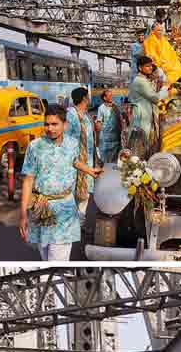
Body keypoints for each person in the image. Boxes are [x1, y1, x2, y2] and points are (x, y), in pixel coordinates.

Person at [19, 104, 99, 260]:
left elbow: (73, 160)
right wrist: (22, 214)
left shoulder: (72, 143)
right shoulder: (35, 147)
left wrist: (89, 170)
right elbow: (28, 180)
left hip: (65, 210)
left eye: (54, 124)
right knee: (44, 255)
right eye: (46, 124)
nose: (50, 128)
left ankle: (56, 283)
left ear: (65, 125)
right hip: (40, 207)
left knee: (57, 260)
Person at [66, 86, 98, 223]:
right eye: (88, 96)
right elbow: (66, 139)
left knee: (85, 194)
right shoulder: (71, 115)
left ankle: (80, 220)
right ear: (84, 98)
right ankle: (73, 221)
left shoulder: (85, 115)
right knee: (74, 193)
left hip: (88, 160)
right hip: (75, 162)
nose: (89, 98)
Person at [127, 56, 169, 152]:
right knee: (139, 145)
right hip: (142, 117)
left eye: (151, 66)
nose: (150, 68)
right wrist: (165, 89)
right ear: (140, 68)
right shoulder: (140, 81)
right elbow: (155, 98)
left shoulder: (144, 80)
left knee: (145, 144)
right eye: (147, 66)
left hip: (145, 116)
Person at [142, 20, 181, 85]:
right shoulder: (149, 41)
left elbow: (170, 52)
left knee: (178, 69)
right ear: (153, 31)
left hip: (169, 63)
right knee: (172, 73)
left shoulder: (163, 39)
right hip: (160, 64)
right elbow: (151, 55)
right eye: (158, 30)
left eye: (161, 30)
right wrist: (161, 62)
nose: (160, 32)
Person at [95, 88, 122, 164]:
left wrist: (121, 132)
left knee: (115, 161)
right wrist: (97, 138)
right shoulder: (101, 108)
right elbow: (99, 123)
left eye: (111, 95)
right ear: (105, 97)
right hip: (105, 140)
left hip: (116, 139)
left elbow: (119, 120)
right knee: (104, 161)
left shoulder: (116, 107)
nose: (111, 97)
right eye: (109, 96)